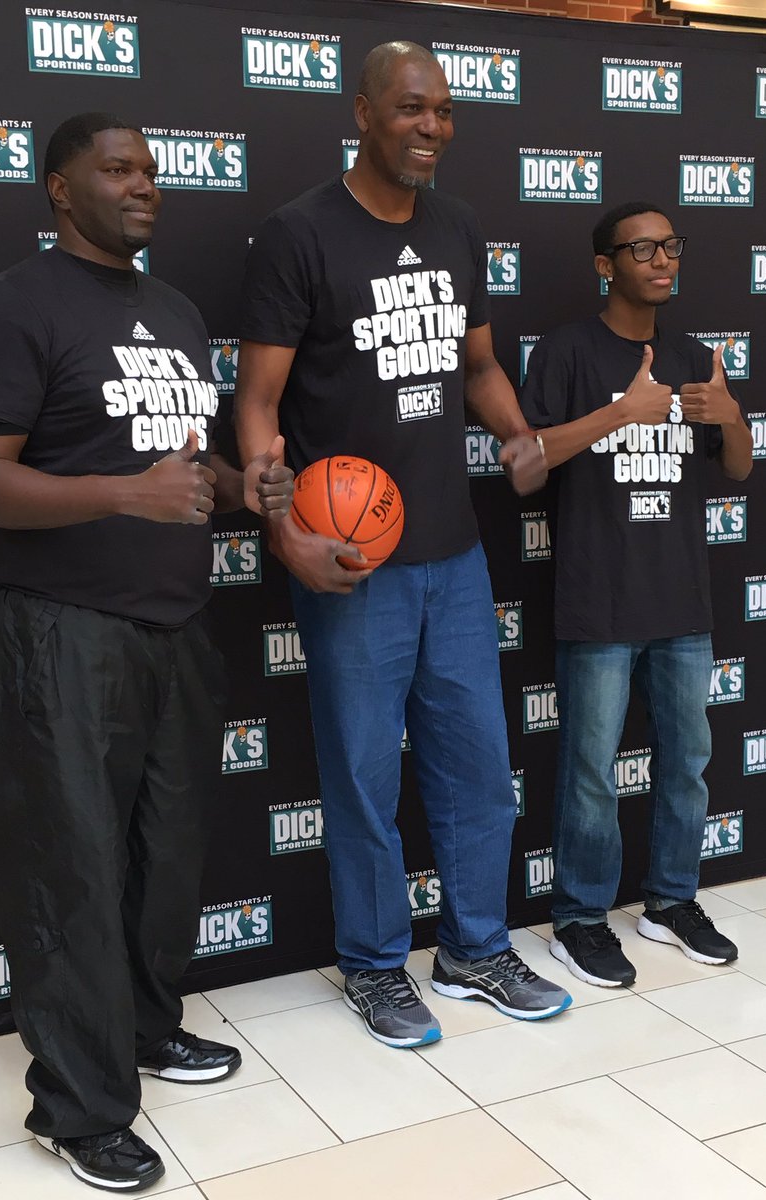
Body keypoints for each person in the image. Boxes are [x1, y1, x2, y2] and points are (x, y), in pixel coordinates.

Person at [0, 112, 293, 1194]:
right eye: (119, 169)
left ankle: (144, 1028)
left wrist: (246, 488)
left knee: (165, 858)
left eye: (153, 170)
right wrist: (124, 493)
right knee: (75, 873)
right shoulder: (16, 305)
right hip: (62, 629)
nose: (146, 185)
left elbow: (194, 463)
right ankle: (77, 1107)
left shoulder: (176, 310)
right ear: (59, 188)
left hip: (175, 628)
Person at [234, 42, 572, 1050]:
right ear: (365, 113)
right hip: (353, 564)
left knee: (477, 764)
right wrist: (286, 534)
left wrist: (514, 432)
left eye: (445, 111)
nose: (432, 128)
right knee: (364, 775)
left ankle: (473, 947)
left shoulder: (460, 229)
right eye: (412, 109)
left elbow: (475, 366)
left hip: (455, 555)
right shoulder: (300, 235)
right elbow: (256, 404)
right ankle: (377, 964)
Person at [520, 200, 752, 988]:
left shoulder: (694, 355)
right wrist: (623, 412)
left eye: (671, 246)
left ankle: (670, 902)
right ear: (604, 264)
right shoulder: (566, 352)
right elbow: (528, 460)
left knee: (687, 762)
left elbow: (739, 466)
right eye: (642, 247)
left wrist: (729, 414)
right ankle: (580, 919)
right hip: (601, 600)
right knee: (591, 768)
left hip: (682, 599)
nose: (662, 259)